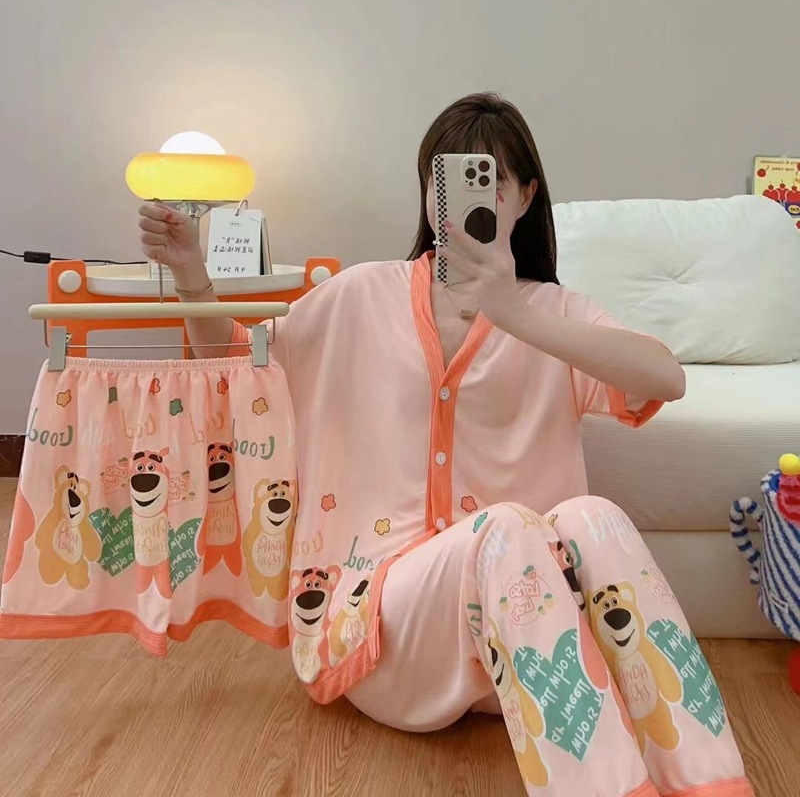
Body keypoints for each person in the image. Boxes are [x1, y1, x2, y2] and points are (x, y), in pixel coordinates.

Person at [137, 93, 752, 797]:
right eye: (449, 180)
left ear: (526, 196)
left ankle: (713, 788)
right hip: (383, 632)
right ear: (428, 195)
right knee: (507, 527)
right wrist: (192, 277)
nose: (468, 199)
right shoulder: (358, 296)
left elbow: (666, 378)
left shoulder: (553, 313)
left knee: (594, 518)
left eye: (492, 180)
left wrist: (514, 313)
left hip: (520, 654)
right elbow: (234, 366)